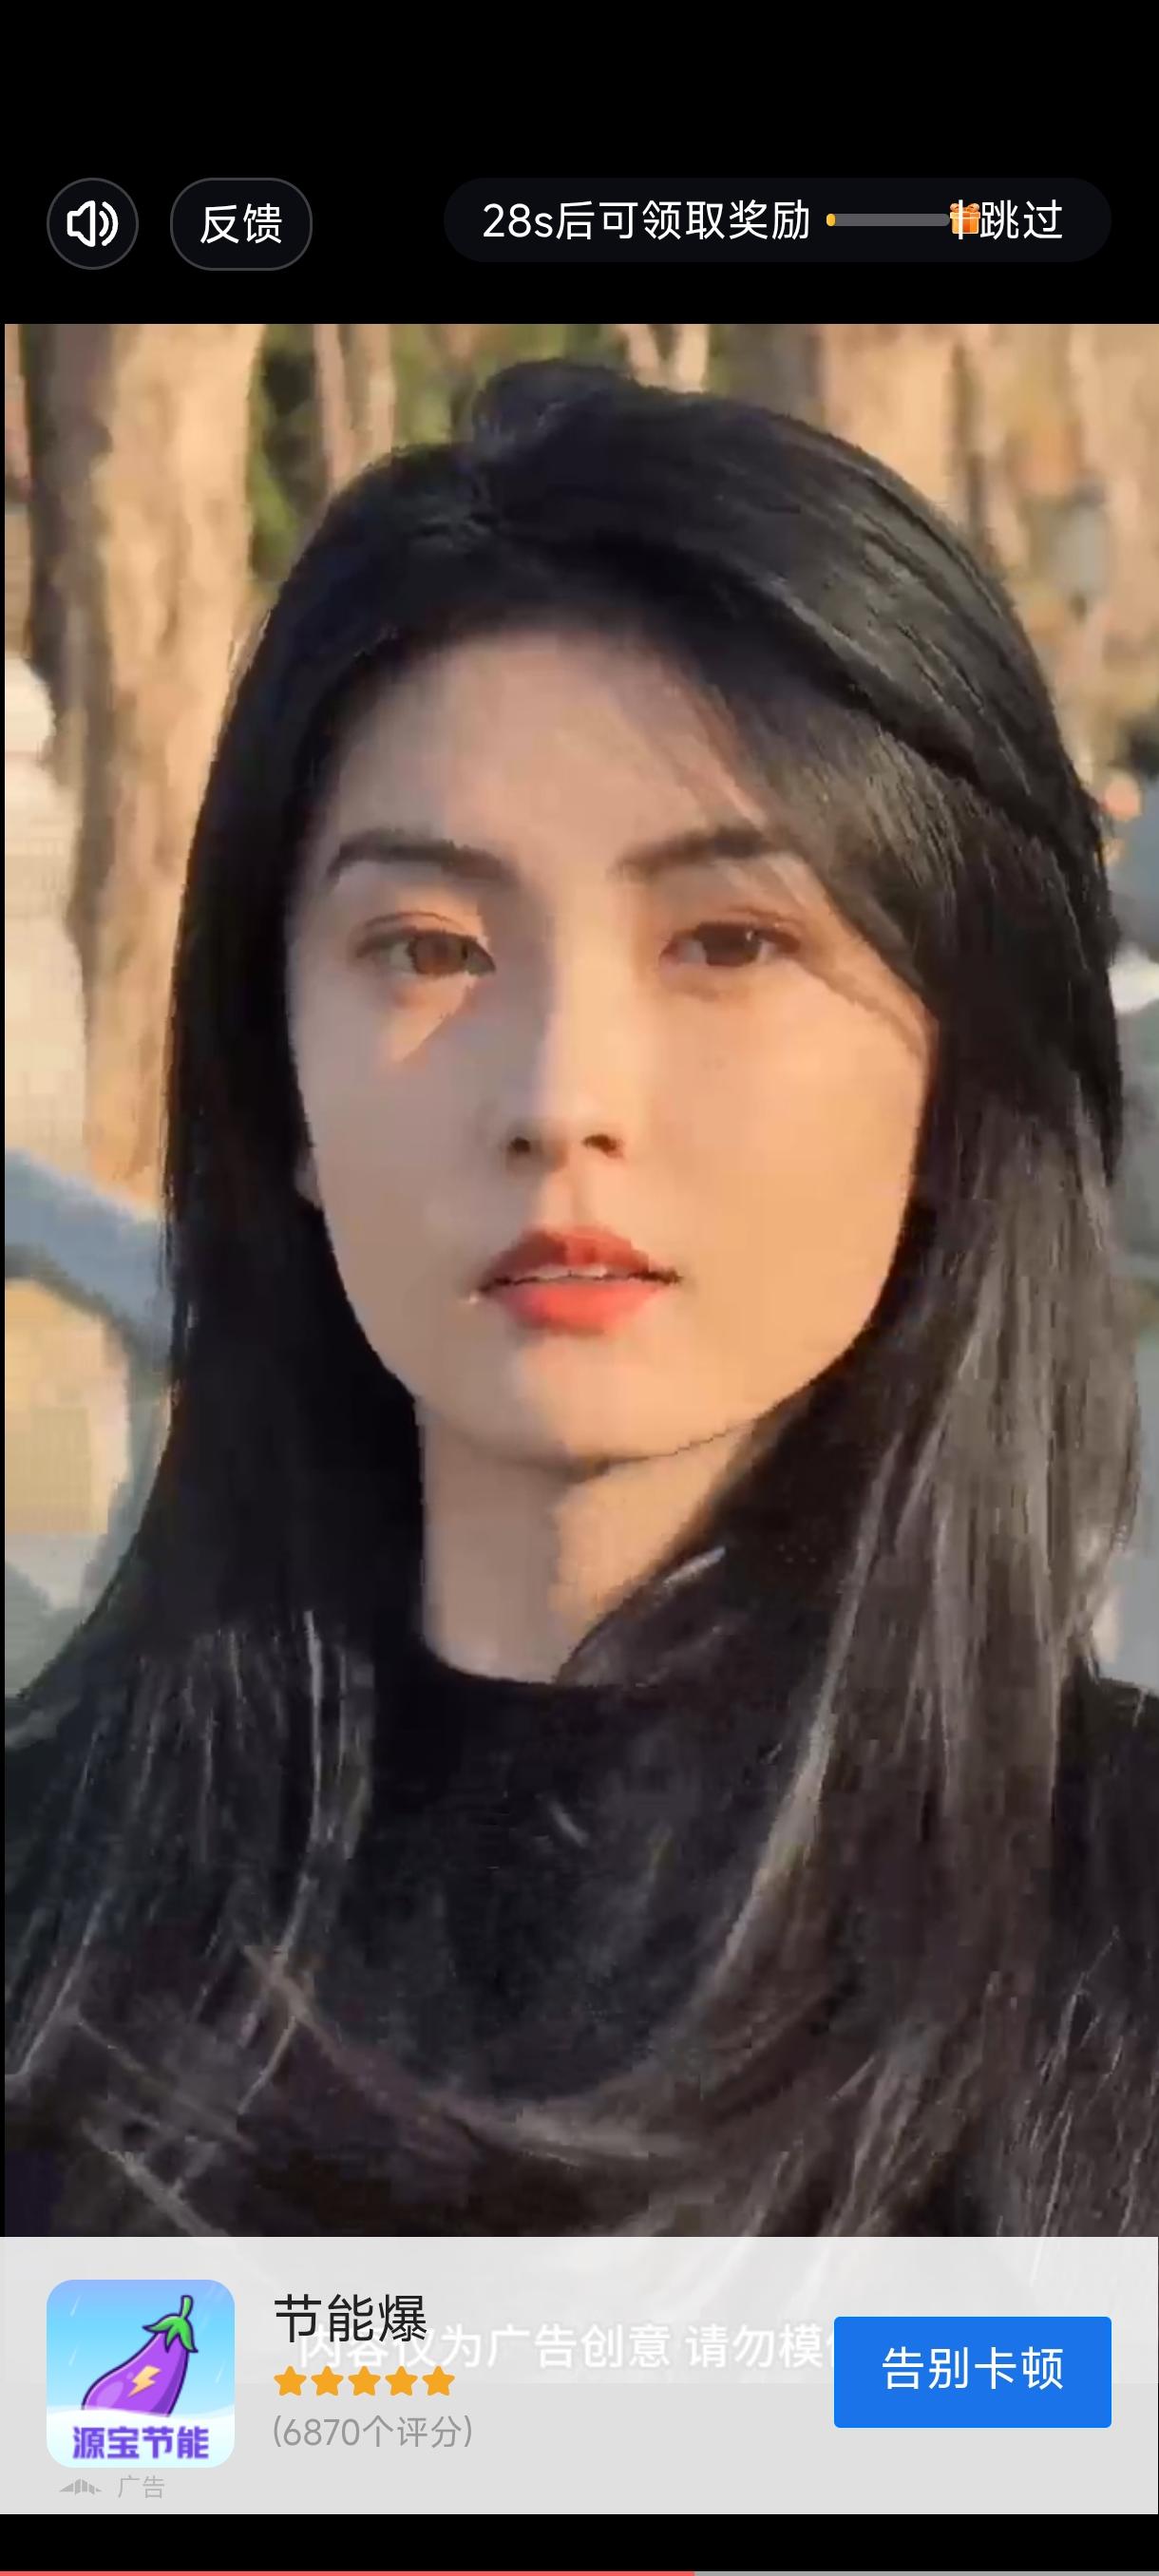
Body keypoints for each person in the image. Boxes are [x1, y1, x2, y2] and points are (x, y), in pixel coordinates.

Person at [7, 362, 1157, 2239]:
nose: (561, 1098)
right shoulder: (47, 1934)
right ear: (278, 1083)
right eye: (429, 947)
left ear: (958, 1078)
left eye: (730, 941)